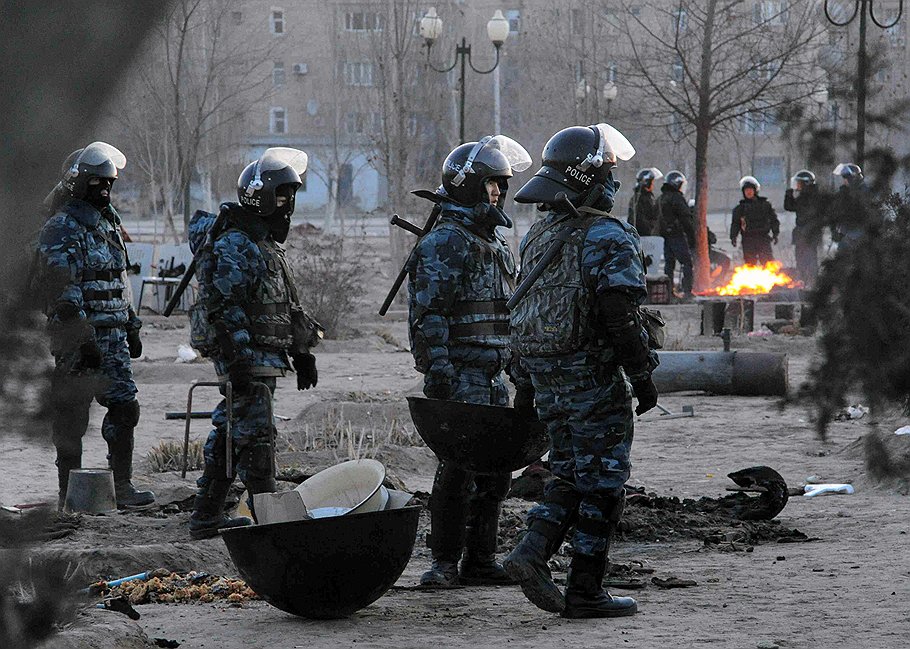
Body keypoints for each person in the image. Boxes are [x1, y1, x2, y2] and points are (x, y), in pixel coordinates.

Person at [504, 124, 658, 619]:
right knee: (606, 481)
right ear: (587, 177)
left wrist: (526, 387)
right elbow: (620, 314)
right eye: (609, 173)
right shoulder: (609, 235)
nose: (614, 184)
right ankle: (586, 588)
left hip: (548, 378)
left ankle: (531, 550)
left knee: (569, 471)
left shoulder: (538, 234)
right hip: (593, 380)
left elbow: (524, 311)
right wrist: (642, 376)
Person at [407, 135, 532, 587]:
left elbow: (509, 311)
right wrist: (437, 368)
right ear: (470, 185)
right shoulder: (446, 242)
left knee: (496, 473)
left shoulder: (494, 244)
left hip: (493, 373)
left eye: (502, 184)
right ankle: (443, 563)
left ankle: (479, 561)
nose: (498, 192)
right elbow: (429, 314)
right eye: (492, 184)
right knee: (457, 469)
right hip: (460, 373)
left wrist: (518, 365)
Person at [188, 147, 320, 540]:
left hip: (265, 356)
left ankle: (206, 516)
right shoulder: (236, 244)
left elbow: (285, 304)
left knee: (231, 434)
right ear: (262, 198)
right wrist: (240, 361)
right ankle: (270, 523)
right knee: (257, 439)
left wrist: (301, 352)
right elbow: (224, 307)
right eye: (282, 197)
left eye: (291, 197)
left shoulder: (262, 243)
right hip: (249, 360)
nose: (288, 206)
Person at [37, 142, 154, 510]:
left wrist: (131, 324)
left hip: (113, 334)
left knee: (125, 408)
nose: (105, 191)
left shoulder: (108, 222)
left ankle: (121, 486)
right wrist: (83, 339)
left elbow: (118, 279)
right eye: (97, 184)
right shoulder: (62, 227)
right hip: (79, 339)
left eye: (109, 184)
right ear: (78, 184)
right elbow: (63, 291)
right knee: (72, 415)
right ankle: (68, 494)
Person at [658, 170, 695, 298]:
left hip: (665, 237)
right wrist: (692, 237)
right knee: (687, 262)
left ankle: (668, 292)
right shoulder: (677, 198)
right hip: (676, 235)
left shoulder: (661, 198)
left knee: (669, 264)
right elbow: (686, 219)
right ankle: (687, 291)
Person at [783, 169, 822, 287]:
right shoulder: (803, 197)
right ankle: (803, 281)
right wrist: (788, 194)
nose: (798, 186)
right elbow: (789, 206)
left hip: (809, 234)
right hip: (801, 234)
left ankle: (811, 282)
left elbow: (796, 208)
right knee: (800, 260)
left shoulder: (812, 198)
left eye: (800, 183)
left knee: (810, 260)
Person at [730, 176, 779, 265]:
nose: (748, 192)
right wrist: (733, 237)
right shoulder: (740, 209)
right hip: (748, 240)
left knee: (768, 264)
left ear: (755, 191)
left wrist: (775, 233)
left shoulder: (765, 205)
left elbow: (774, 220)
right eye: (746, 190)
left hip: (763, 238)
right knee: (750, 266)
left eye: (750, 190)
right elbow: (735, 224)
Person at [830, 163, 875, 249]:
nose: (844, 181)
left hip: (858, 236)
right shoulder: (845, 192)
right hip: (846, 235)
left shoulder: (862, 192)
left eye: (845, 178)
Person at [627, 167, 662, 235]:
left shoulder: (649, 197)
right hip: (642, 236)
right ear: (647, 183)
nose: (653, 185)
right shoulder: (639, 198)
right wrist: (650, 230)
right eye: (652, 182)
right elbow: (639, 219)